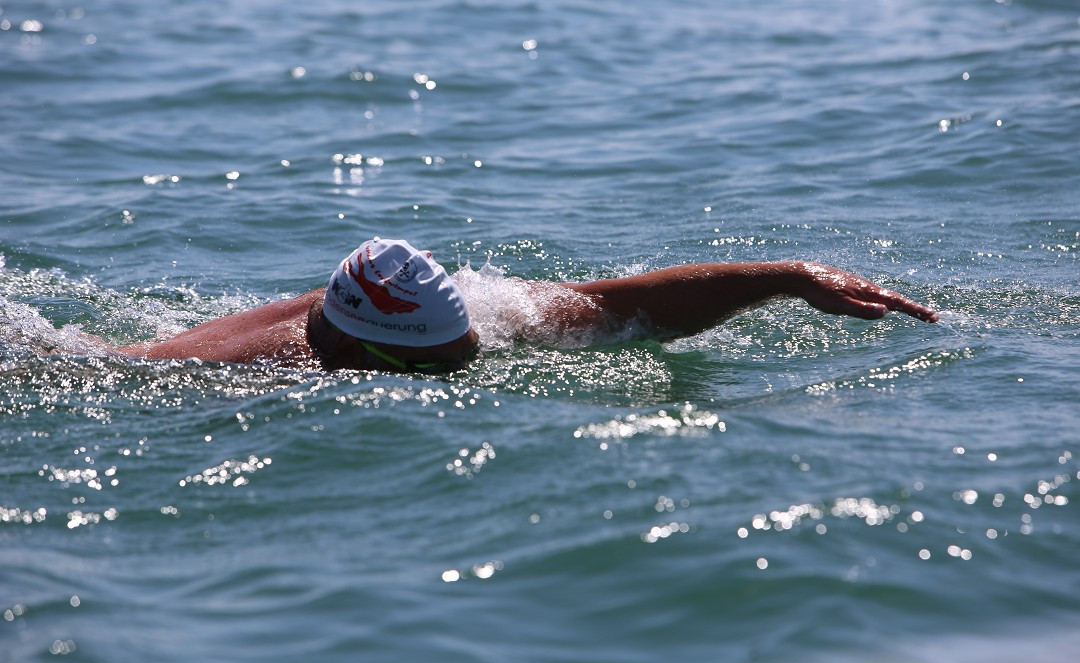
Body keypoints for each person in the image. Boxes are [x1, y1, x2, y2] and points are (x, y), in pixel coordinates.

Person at [115, 237, 938, 373]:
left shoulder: (464, 308)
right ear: (361, 354)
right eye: (440, 373)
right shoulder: (229, 375)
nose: (473, 364)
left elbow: (614, 305)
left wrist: (787, 277)